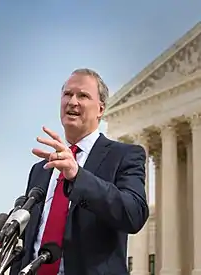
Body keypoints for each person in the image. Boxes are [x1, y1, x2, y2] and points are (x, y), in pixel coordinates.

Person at [11, 68, 149, 275]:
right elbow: (27, 241)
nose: (72, 101)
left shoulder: (124, 155)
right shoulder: (41, 169)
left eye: (83, 95)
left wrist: (78, 177)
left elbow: (134, 214)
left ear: (101, 109)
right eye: (67, 94)